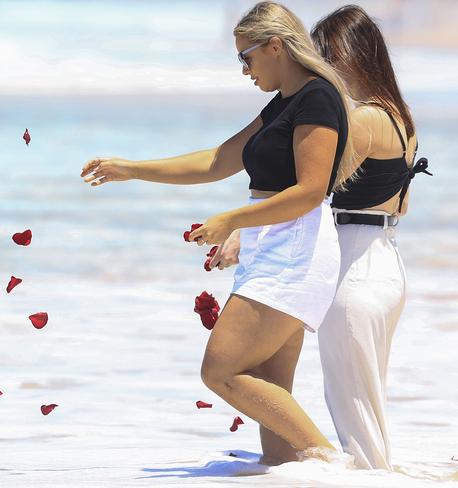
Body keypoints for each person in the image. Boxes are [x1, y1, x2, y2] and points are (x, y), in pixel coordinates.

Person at [81, 1, 354, 464]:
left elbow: (310, 192)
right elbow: (217, 160)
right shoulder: (286, 103)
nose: (244, 70)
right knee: (270, 397)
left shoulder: (317, 97)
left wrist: (232, 220)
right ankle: (297, 472)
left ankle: (337, 468)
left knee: (221, 370)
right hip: (277, 247)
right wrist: (131, 168)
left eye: (246, 57)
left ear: (274, 46)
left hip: (294, 251)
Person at [211, 4, 431, 470]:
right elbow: (397, 200)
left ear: (349, 56)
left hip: (354, 266)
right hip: (384, 259)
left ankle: (355, 477)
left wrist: (239, 227)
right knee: (364, 411)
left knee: (354, 418)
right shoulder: (401, 117)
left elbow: (310, 187)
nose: (320, 69)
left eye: (326, 56)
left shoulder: (362, 120)